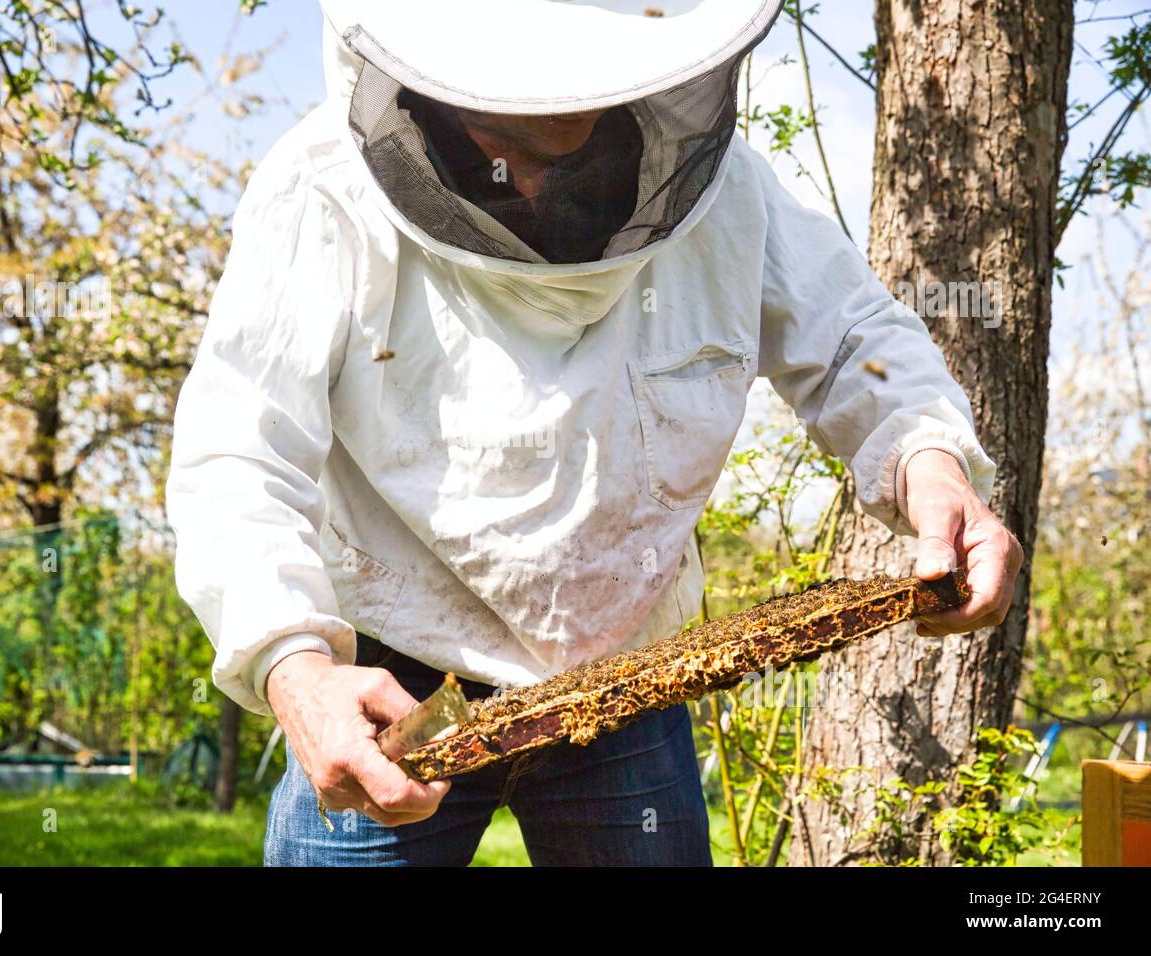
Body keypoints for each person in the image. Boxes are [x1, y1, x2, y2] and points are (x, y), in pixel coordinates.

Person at [166, 0, 1023, 866]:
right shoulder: (322, 190)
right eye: (517, 125)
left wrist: (933, 467)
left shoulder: (726, 196)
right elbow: (241, 444)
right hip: (389, 685)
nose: (541, 167)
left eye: (576, 115)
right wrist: (297, 669)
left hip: (626, 678)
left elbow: (850, 342)